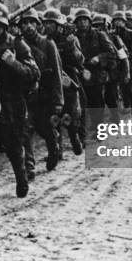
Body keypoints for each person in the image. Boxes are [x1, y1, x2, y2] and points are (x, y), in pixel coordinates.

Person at [0, 1, 40, 201]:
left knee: (13, 147)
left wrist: (14, 63)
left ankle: (21, 178)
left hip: (11, 104)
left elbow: (34, 73)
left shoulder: (16, 44)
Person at [19, 9, 64, 172]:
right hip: (27, 95)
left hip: (45, 95)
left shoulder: (48, 44)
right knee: (25, 130)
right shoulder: (18, 45)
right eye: (24, 23)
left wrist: (58, 100)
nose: (28, 26)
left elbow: (57, 73)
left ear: (38, 25)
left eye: (32, 22)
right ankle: (29, 165)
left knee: (46, 129)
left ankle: (54, 150)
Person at [42, 8, 84, 155]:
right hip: (52, 81)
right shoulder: (44, 41)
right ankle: (57, 150)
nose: (48, 26)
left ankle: (75, 138)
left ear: (58, 25)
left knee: (70, 115)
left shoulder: (70, 39)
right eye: (46, 23)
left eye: (51, 23)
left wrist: (71, 46)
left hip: (68, 80)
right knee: (53, 116)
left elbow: (79, 61)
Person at [74, 8, 116, 141]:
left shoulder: (99, 35)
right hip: (81, 74)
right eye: (79, 21)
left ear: (89, 22)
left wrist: (99, 58)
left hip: (97, 74)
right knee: (82, 104)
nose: (82, 24)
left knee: (96, 103)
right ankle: (83, 133)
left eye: (85, 20)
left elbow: (111, 53)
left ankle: (99, 131)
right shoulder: (74, 37)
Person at [111, 11, 132, 112]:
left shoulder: (130, 33)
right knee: (122, 87)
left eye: (120, 21)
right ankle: (126, 106)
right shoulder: (112, 34)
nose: (118, 23)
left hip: (129, 64)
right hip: (118, 64)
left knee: (129, 86)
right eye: (116, 21)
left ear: (124, 22)